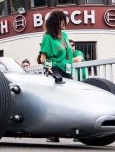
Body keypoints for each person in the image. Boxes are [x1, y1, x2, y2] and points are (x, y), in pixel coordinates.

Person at [39, 10, 73, 143]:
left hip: (68, 70)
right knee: (57, 101)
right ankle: (53, 133)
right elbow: (43, 57)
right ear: (58, 21)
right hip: (56, 69)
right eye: (63, 19)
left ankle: (74, 130)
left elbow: (69, 53)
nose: (66, 22)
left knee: (70, 100)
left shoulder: (64, 35)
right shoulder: (48, 37)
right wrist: (49, 69)